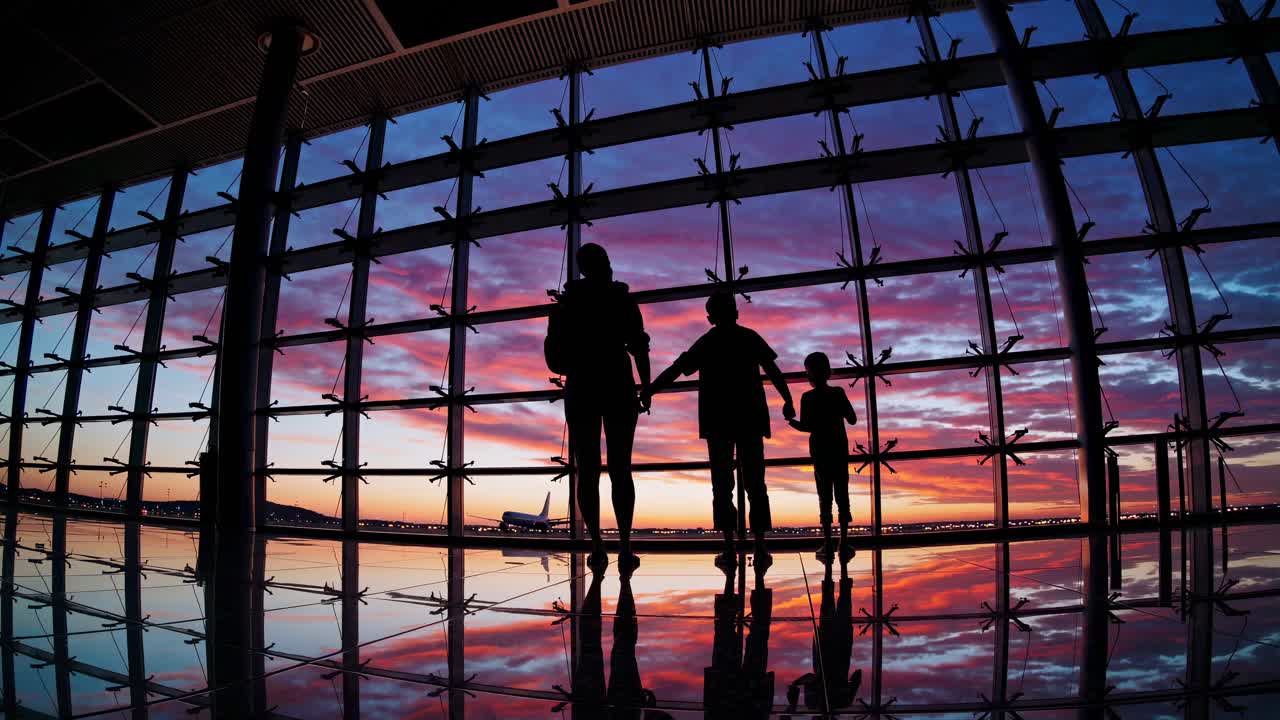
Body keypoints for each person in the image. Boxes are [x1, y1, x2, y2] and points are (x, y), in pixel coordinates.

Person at [645, 291, 794, 565]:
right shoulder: (750, 338)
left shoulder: (707, 343)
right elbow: (772, 369)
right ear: (736, 313)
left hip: (718, 423)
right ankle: (760, 546)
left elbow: (677, 369)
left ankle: (728, 547)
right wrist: (787, 399)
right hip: (750, 418)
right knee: (756, 483)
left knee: (722, 486)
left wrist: (650, 390)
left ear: (709, 317)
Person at [546, 243, 650, 571]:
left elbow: (554, 360)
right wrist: (645, 386)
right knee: (621, 468)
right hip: (618, 383)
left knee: (587, 469)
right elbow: (639, 347)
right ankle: (624, 544)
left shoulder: (565, 308)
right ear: (604, 264)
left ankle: (596, 544)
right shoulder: (622, 301)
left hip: (581, 387)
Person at [787, 351, 857, 560]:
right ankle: (844, 542)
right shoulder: (838, 393)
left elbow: (807, 426)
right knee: (842, 494)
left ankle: (827, 544)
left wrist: (792, 422)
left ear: (810, 374)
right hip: (838, 448)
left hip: (819, 450)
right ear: (828, 371)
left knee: (824, 496)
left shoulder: (807, 398)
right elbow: (852, 419)